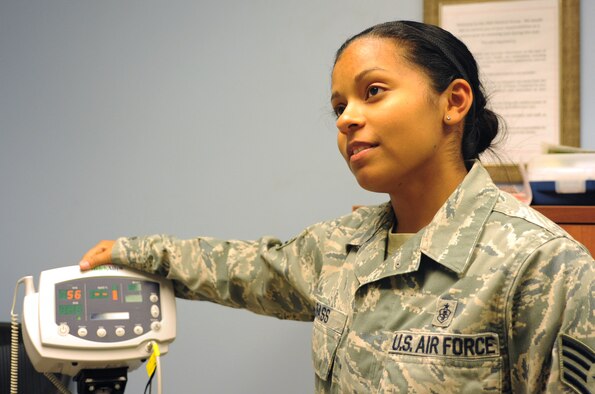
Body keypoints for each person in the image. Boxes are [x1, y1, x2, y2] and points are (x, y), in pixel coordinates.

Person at [80, 21, 594, 393]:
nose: (347, 119)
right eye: (339, 107)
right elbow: (239, 267)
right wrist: (131, 252)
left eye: (373, 92)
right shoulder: (341, 249)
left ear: (453, 103)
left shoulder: (544, 267)